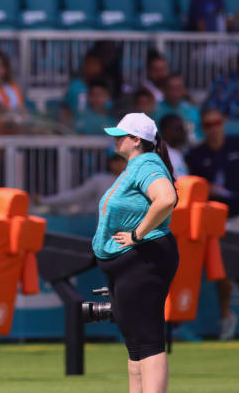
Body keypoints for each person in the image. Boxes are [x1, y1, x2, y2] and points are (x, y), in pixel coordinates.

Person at [96, 113, 179, 393]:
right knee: (135, 343)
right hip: (129, 263)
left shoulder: (147, 163)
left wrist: (136, 234)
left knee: (147, 339)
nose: (116, 139)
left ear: (136, 140)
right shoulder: (134, 166)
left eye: (121, 135)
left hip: (145, 258)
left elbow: (166, 198)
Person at [184, 108, 238, 340]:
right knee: (222, 271)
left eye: (216, 122)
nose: (213, 128)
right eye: (208, 124)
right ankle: (226, 315)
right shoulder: (196, 155)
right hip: (216, 219)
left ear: (223, 122)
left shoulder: (236, 145)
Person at [37, 154, 127, 215]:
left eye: (122, 160)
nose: (118, 164)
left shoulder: (136, 180)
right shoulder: (100, 180)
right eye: (116, 161)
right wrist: (44, 200)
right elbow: (75, 195)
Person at [154, 74, 201, 141]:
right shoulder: (155, 111)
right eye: (171, 88)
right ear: (164, 90)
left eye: (178, 88)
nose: (175, 92)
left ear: (184, 89)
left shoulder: (193, 110)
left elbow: (200, 135)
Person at [63, 51, 103, 115]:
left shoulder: (103, 87)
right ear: (84, 65)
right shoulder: (74, 86)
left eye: (96, 64)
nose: (93, 68)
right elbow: (65, 107)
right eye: (91, 64)